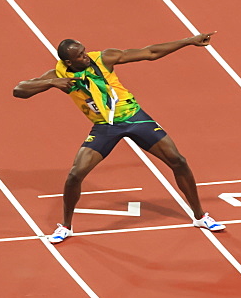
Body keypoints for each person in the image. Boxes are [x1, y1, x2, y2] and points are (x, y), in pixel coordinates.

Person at [13, 34, 225, 243]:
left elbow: (149, 52)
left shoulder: (104, 59)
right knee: (75, 175)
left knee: (178, 161)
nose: (86, 56)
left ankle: (200, 217)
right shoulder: (58, 74)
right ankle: (66, 227)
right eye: (80, 55)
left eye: (84, 51)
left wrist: (188, 42)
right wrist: (52, 82)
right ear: (68, 62)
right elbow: (19, 90)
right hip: (105, 127)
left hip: (135, 118)